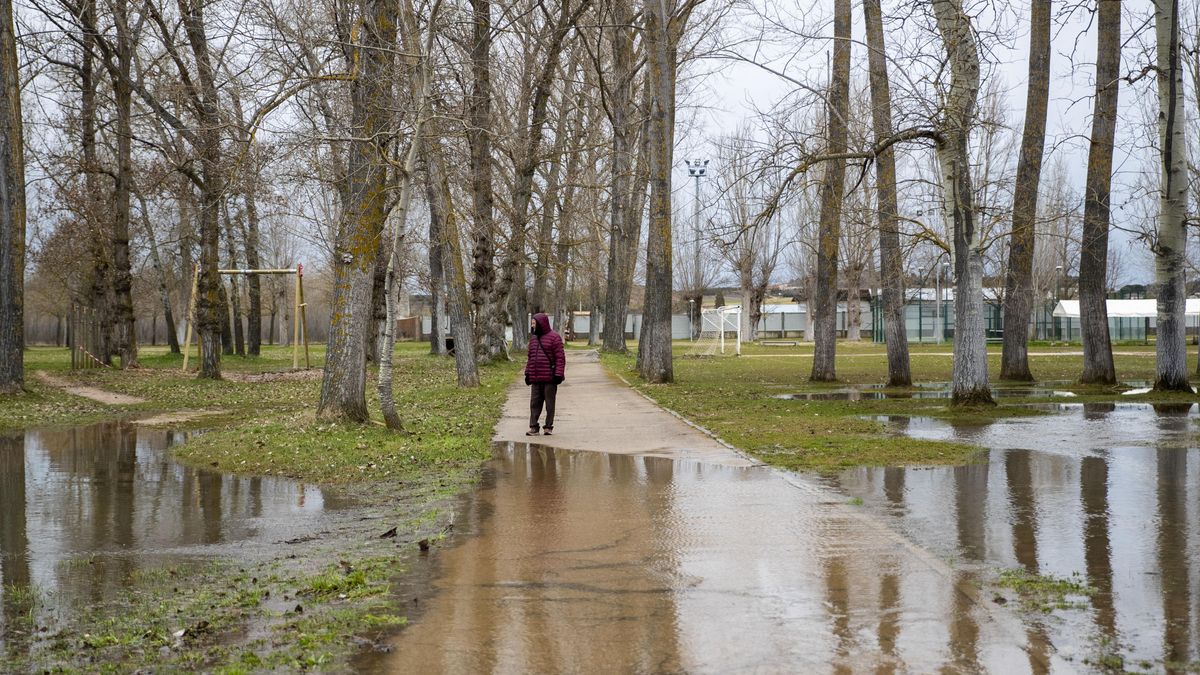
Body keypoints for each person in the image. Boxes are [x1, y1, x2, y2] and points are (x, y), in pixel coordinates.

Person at [524, 313, 566, 436]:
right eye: (532, 324)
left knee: (549, 404)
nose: (532, 326)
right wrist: (527, 373)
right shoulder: (533, 339)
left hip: (550, 378)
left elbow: (560, 358)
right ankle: (533, 427)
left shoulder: (554, 338)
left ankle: (548, 427)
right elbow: (530, 358)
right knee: (534, 404)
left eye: (534, 323)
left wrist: (558, 374)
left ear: (541, 323)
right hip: (536, 378)